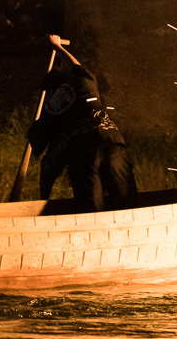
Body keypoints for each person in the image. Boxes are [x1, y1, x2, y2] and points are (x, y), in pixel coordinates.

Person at [27, 34, 137, 212]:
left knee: (90, 211)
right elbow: (75, 65)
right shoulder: (84, 83)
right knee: (128, 206)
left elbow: (45, 156)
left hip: (84, 154)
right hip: (111, 142)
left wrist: (43, 198)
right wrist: (57, 47)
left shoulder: (49, 110)